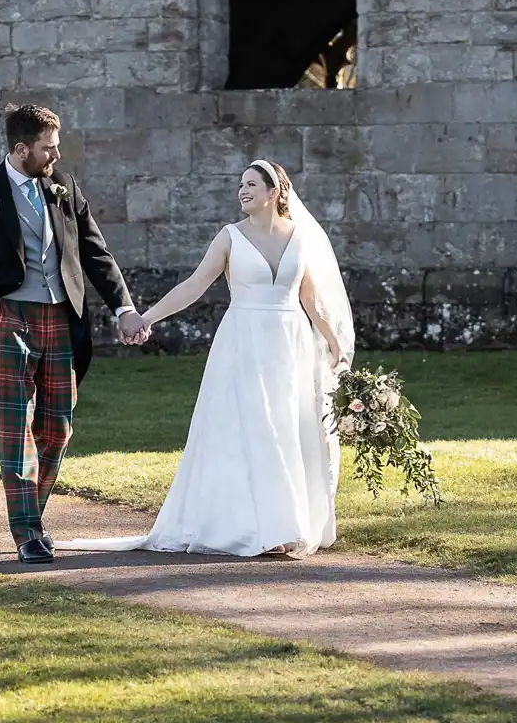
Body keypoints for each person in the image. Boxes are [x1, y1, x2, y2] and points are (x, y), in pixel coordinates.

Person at [59, 160, 354, 558]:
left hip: (291, 344)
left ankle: (285, 524)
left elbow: (311, 300)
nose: (243, 191)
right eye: (240, 185)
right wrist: (144, 317)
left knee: (285, 427)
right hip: (243, 342)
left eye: (252, 184)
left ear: (274, 192)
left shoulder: (300, 238)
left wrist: (334, 341)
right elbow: (195, 285)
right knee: (253, 428)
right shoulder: (229, 237)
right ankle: (256, 526)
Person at [0, 103, 150, 564]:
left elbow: (96, 253)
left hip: (61, 318)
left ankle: (30, 515)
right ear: (21, 149)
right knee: (17, 429)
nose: (56, 156)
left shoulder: (65, 189)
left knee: (57, 428)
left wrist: (124, 308)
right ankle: (27, 532)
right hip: (8, 318)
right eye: (48, 148)